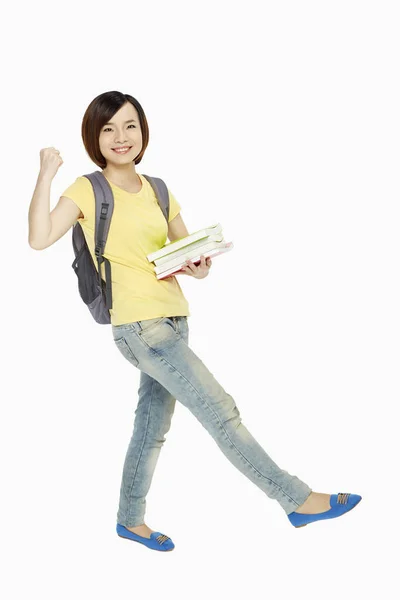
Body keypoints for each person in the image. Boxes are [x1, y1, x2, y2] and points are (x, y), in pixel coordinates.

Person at [28, 91, 361, 552]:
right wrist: (46, 174)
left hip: (175, 320)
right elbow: (40, 237)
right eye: (108, 129)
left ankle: (130, 520)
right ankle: (296, 499)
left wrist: (199, 266)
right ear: (95, 137)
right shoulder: (87, 189)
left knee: (150, 427)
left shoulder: (159, 189)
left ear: (142, 131)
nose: (120, 137)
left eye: (129, 126)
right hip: (141, 328)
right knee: (221, 411)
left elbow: (186, 252)